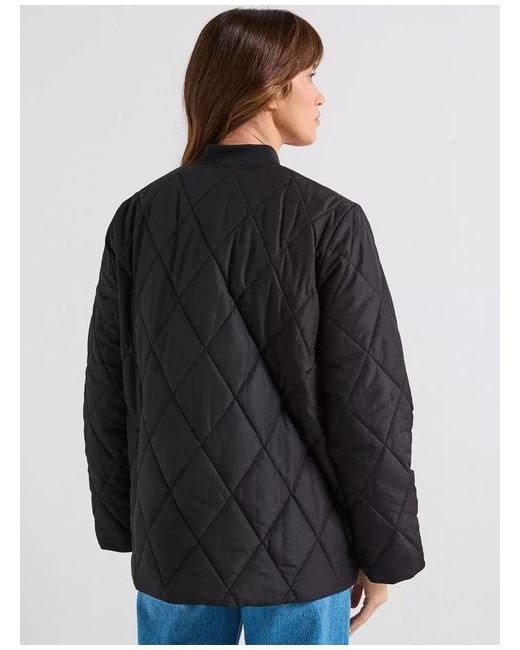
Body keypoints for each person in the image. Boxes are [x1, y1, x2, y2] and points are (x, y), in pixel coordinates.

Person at [82, 7, 425, 645]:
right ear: (270, 87)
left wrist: (127, 524)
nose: (320, 95)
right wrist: (385, 554)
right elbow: (370, 405)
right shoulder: (329, 221)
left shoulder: (139, 218)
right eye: (310, 75)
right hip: (305, 554)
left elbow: (109, 390)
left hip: (174, 546)